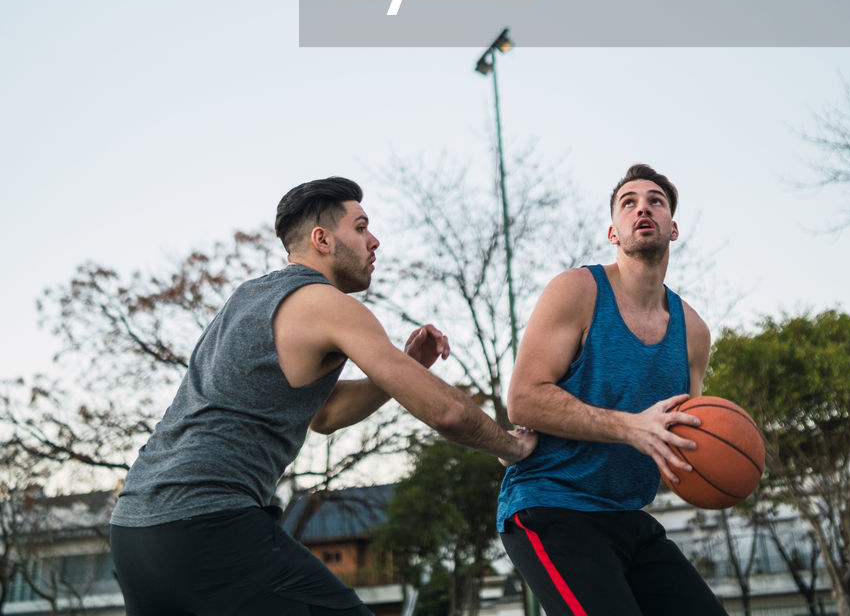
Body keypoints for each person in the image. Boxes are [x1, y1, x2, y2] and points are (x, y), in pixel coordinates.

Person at [110, 176, 536, 616]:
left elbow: (325, 413)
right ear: (323, 239)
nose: (374, 241)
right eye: (361, 227)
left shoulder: (248, 298)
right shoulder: (327, 304)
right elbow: (447, 413)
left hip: (134, 531)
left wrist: (404, 368)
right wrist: (513, 446)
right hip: (206, 523)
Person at [497, 163, 727, 616]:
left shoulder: (693, 331)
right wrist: (632, 428)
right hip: (550, 505)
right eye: (629, 202)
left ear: (673, 227)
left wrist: (719, 465)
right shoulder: (578, 291)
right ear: (613, 232)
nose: (643, 207)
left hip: (627, 514)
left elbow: (690, 439)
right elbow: (523, 397)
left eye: (655, 201)